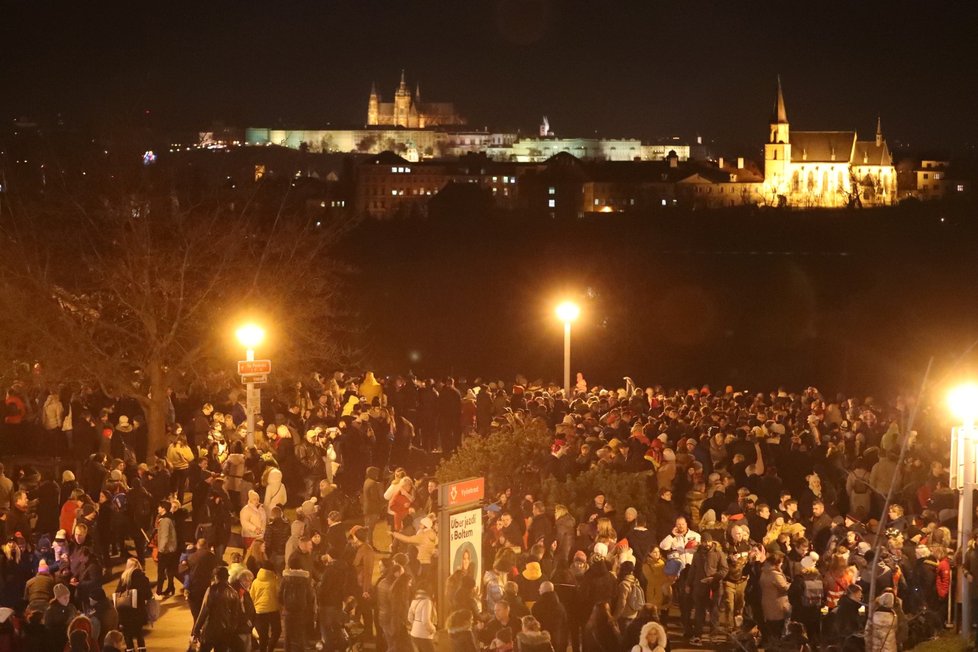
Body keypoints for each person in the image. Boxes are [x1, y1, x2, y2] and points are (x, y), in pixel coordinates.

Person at [192, 566, 243, 652]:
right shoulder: (233, 592)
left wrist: (196, 629)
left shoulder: (211, 590)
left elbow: (204, 610)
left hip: (210, 630)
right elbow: (236, 614)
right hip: (225, 631)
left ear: (216, 576)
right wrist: (231, 629)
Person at [115, 558, 151, 652]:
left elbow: (117, 592)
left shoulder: (124, 577)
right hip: (138, 611)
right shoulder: (143, 577)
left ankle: (130, 649)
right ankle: (141, 649)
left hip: (125, 611)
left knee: (127, 634)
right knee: (139, 633)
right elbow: (148, 594)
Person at [280, 555, 313, 652]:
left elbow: (280, 594)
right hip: (301, 611)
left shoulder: (285, 579)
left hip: (288, 611)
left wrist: (285, 604)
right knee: (299, 635)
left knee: (288, 636)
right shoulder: (305, 580)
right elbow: (310, 596)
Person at [759, 551, 791, 644]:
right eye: (781, 562)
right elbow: (784, 588)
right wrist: (791, 585)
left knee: (771, 629)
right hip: (777, 605)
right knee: (778, 630)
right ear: (777, 563)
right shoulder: (775, 574)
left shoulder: (764, 571)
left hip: (767, 603)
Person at [155, 500, 179, 597]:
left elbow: (164, 537)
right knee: (170, 570)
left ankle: (158, 592)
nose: (158, 508)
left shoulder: (165, 521)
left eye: (159, 507)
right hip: (172, 550)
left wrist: (160, 550)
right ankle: (170, 588)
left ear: (163, 508)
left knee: (161, 573)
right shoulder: (170, 518)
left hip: (165, 551)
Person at [409, 586, 437, 652]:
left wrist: (416, 625)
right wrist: (433, 629)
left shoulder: (414, 601)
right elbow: (425, 621)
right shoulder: (427, 602)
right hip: (424, 635)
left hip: (414, 634)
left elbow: (409, 617)